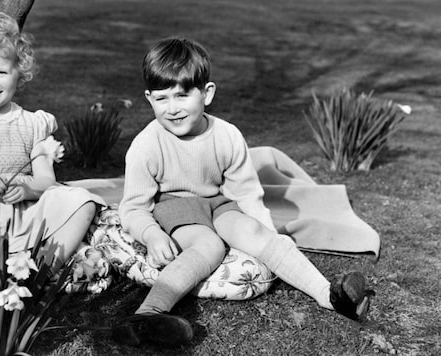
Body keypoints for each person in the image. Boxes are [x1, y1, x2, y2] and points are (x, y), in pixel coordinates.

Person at [114, 37, 375, 347]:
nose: (172, 108)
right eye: (162, 98)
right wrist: (152, 235)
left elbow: (248, 193)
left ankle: (329, 295)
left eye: (182, 95)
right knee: (208, 246)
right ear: (149, 98)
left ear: (207, 94)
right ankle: (147, 316)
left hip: (218, 202)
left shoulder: (227, 136)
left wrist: (268, 233)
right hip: (175, 206)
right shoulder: (147, 145)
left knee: (253, 231)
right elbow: (132, 208)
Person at [0, 11, 103, 273]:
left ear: (20, 74)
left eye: (1, 72)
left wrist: (29, 190)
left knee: (83, 201)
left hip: (22, 210)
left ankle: (43, 268)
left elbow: (47, 181)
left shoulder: (35, 124)